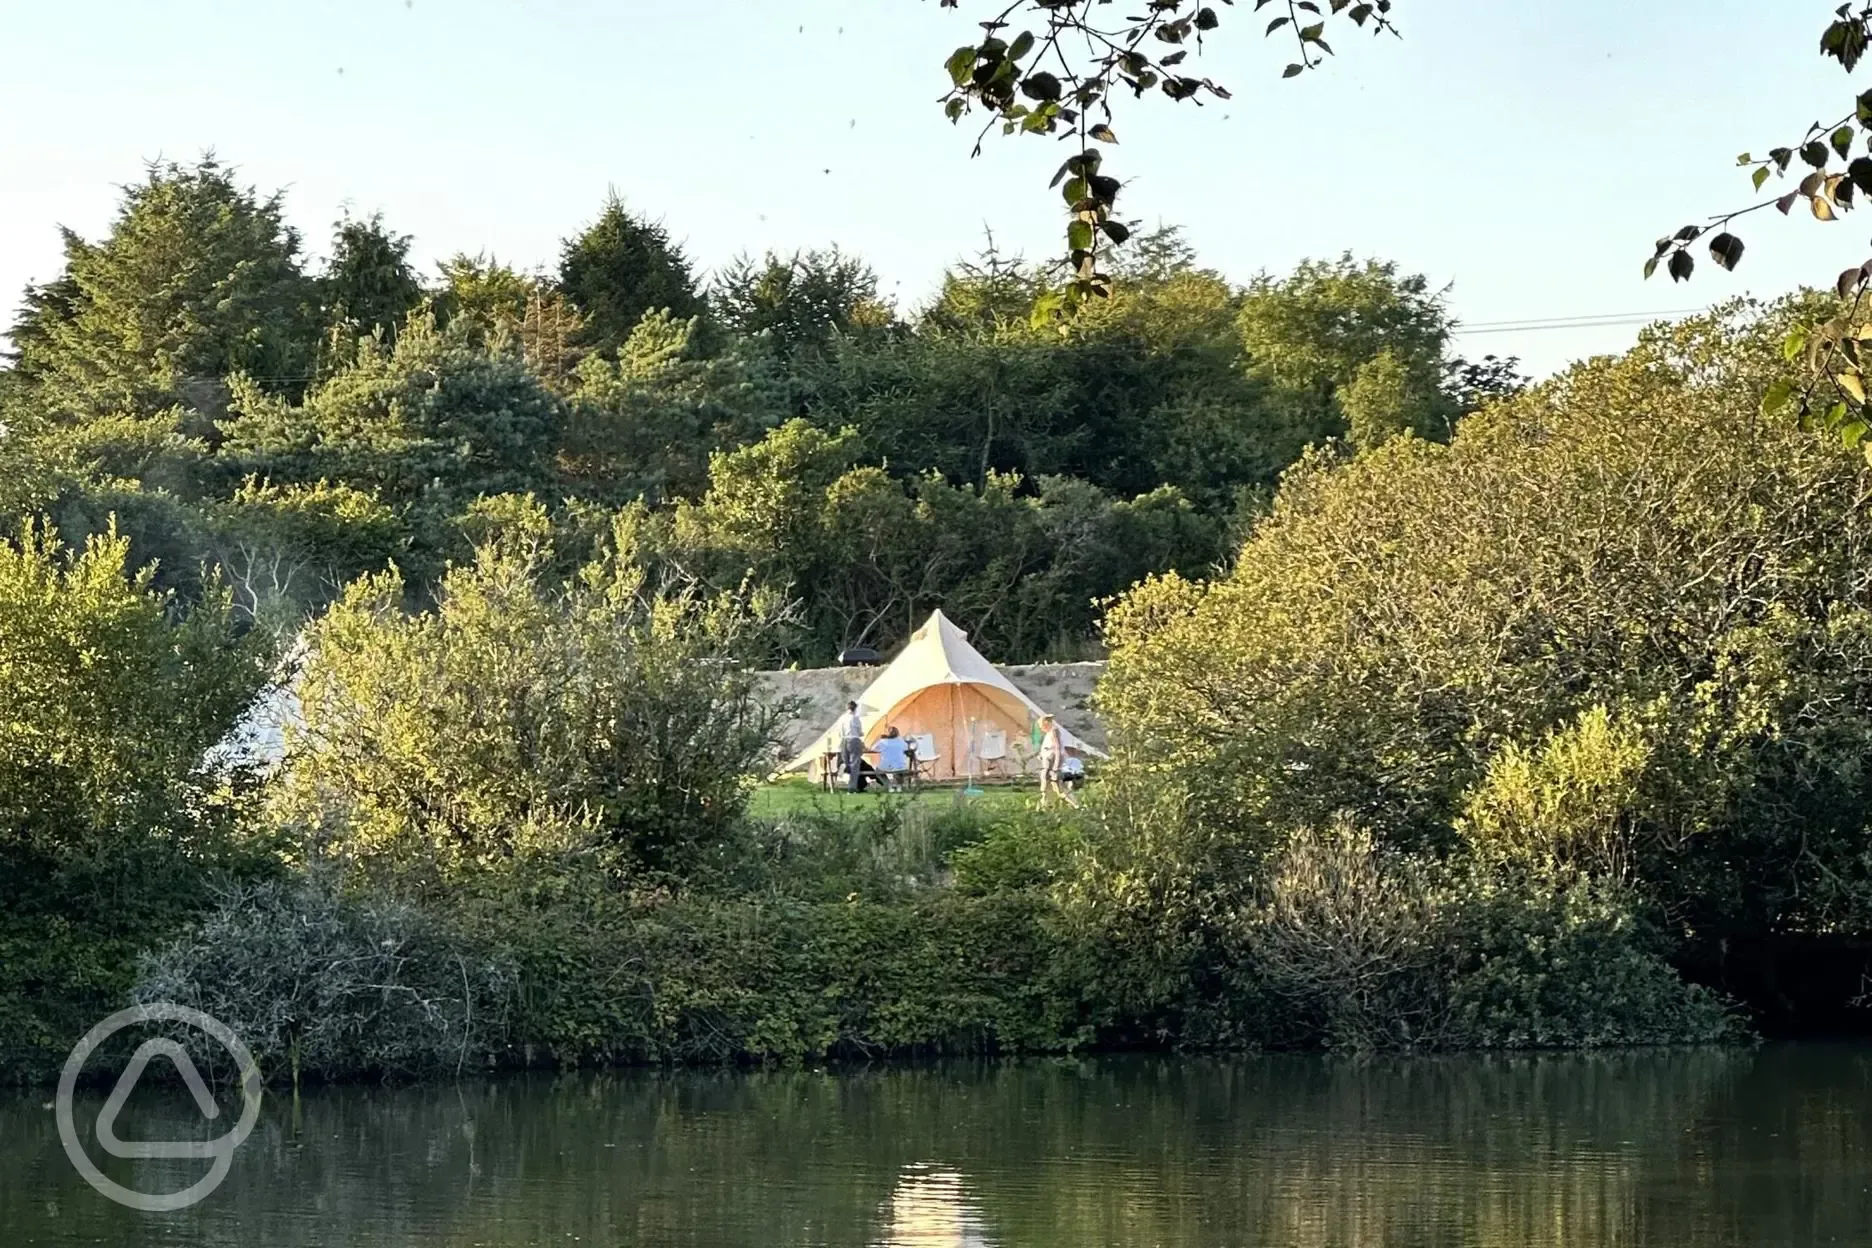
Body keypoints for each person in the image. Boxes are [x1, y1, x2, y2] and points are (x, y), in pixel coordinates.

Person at [1037, 714, 1078, 808]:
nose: (1041, 728)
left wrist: (1056, 765)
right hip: (1047, 763)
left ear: (1046, 723)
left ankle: (1076, 805)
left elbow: (1058, 748)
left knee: (1059, 787)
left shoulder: (1054, 731)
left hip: (1053, 764)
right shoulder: (1048, 734)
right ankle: (1045, 806)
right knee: (1046, 787)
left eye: (1041, 725)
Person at [840, 700, 867, 793]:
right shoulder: (855, 718)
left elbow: (841, 732)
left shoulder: (843, 718)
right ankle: (852, 787)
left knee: (846, 762)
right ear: (855, 708)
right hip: (854, 740)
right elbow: (859, 732)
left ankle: (845, 778)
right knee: (855, 764)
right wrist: (861, 734)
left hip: (844, 740)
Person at [875, 725, 911, 790]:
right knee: (900, 768)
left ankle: (888, 785)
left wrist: (880, 739)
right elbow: (906, 749)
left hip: (886, 766)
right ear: (898, 733)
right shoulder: (902, 741)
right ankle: (899, 787)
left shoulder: (883, 741)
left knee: (878, 771)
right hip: (901, 767)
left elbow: (874, 749)